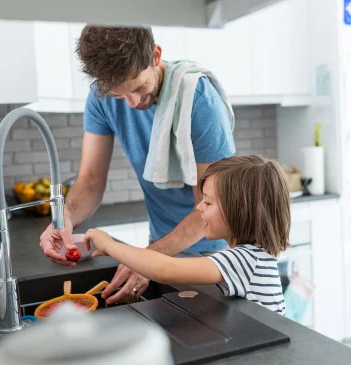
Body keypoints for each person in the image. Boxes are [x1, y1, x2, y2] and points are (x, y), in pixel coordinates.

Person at [38, 26, 236, 305]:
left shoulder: (198, 99)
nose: (131, 103)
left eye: (139, 88)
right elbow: (91, 181)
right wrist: (65, 219)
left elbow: (214, 205)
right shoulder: (101, 97)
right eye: (120, 96)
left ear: (155, 56)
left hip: (212, 254)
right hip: (158, 245)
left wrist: (149, 259)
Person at [83, 155, 291, 314]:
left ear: (239, 211)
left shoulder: (245, 260)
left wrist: (109, 244)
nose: (199, 207)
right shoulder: (252, 255)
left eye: (208, 202)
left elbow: (163, 268)